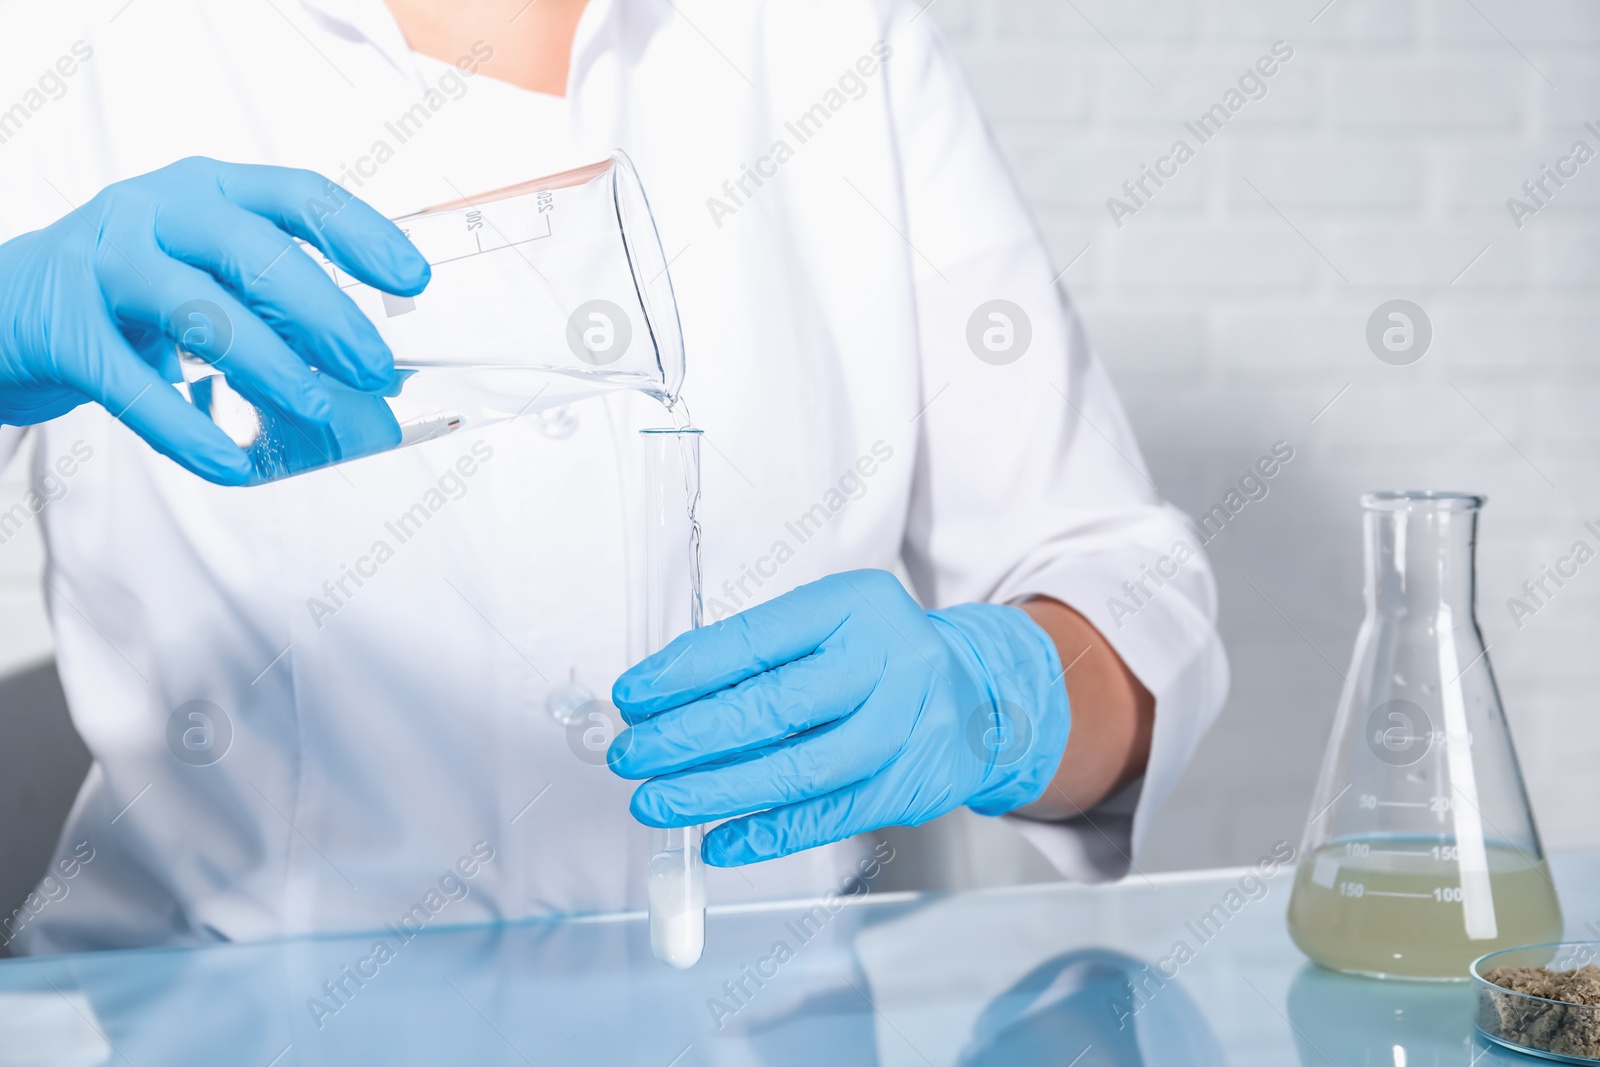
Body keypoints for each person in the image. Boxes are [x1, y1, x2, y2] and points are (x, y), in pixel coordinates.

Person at [0, 0, 1227, 954]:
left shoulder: (824, 35)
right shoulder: (75, 37)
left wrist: (997, 694)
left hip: (752, 1017)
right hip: (209, 1021)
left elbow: (1123, 587)